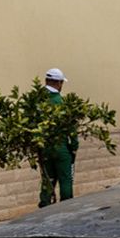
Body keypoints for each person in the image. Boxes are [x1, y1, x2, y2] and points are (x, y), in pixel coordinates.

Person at [38, 68, 78, 207]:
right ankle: (66, 206)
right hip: (60, 147)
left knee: (47, 179)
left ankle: (44, 203)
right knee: (65, 180)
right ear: (59, 83)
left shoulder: (37, 100)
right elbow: (71, 128)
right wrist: (74, 147)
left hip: (44, 147)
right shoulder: (60, 102)